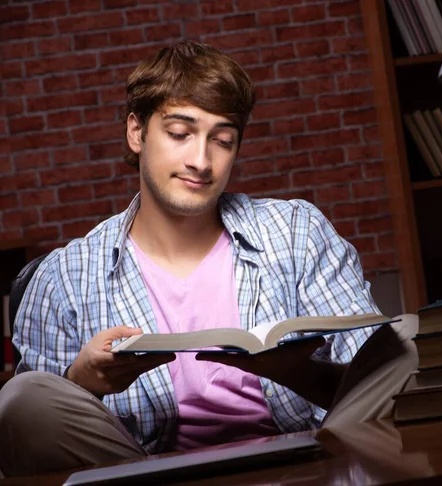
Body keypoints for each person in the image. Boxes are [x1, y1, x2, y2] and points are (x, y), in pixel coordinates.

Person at [0, 40, 413, 478]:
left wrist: (298, 373)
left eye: (222, 140)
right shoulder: (63, 277)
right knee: (20, 397)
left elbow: (377, 380)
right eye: (180, 134)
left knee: (404, 342)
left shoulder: (297, 232)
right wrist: (84, 383)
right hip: (144, 474)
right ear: (136, 131)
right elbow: (35, 435)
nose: (201, 161)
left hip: (304, 465)